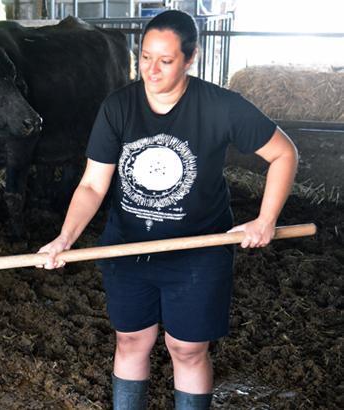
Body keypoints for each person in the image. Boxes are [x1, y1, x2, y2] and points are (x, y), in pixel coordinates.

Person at [38, 9, 298, 410]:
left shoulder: (220, 106)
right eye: (145, 57)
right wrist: (64, 238)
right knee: (131, 340)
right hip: (126, 250)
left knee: (187, 349)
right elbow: (92, 184)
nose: (151, 70)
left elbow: (283, 154)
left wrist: (266, 220)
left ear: (190, 58)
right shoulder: (117, 107)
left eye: (166, 60)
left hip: (198, 252)